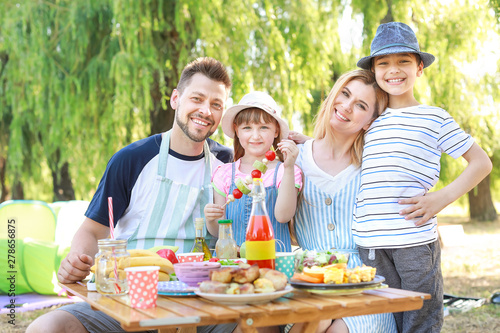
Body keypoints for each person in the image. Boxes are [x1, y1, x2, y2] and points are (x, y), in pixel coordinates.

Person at [27, 57, 237, 333]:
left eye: (216, 104)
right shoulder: (132, 159)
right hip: (127, 298)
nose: (205, 110)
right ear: (175, 99)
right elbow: (93, 229)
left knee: (256, 326)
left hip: (203, 302)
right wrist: (77, 260)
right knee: (49, 327)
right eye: (197, 98)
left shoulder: (228, 165)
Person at [353, 22, 493, 333]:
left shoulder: (434, 117)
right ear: (374, 71)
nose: (394, 70)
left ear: (419, 68)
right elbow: (334, 147)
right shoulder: (369, 120)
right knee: (381, 323)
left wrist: (441, 198)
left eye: (403, 61)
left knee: (420, 321)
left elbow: (481, 163)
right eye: (384, 63)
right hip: (370, 242)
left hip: (413, 241)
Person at [289, 69, 397, 333]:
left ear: (369, 122)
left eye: (360, 105)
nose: (346, 107)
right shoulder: (295, 158)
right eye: (344, 94)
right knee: (314, 319)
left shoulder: (373, 166)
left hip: (363, 285)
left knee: (338, 330)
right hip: (309, 280)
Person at [204, 91, 302, 252]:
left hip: (273, 264)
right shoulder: (224, 174)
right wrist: (210, 219)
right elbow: (218, 232)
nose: (255, 136)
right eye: (247, 128)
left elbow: (283, 216)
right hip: (234, 265)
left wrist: (289, 167)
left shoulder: (285, 172)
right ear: (237, 130)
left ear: (276, 131)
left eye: (264, 127)